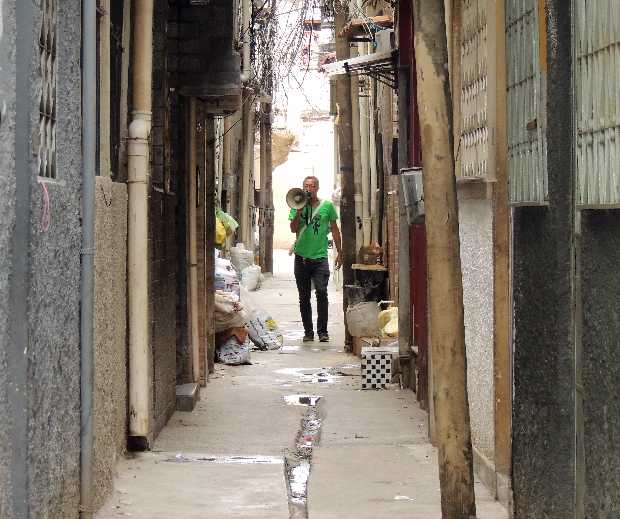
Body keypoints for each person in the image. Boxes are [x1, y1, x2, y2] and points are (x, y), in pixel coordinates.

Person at [289, 176, 342, 342]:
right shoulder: (296, 205)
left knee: (322, 293)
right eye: (306, 185)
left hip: (320, 258)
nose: (309, 188)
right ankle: (308, 332)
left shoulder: (327, 206)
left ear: (317, 188)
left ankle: (323, 332)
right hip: (301, 258)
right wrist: (299, 210)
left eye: (312, 186)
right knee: (304, 297)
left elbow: (335, 230)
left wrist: (340, 252)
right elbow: (293, 229)